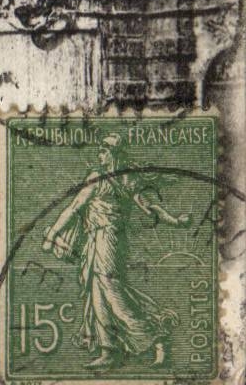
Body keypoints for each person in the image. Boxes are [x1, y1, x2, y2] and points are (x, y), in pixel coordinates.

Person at [42, 133, 189, 369]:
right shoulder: (112, 178)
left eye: (104, 151)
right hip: (96, 239)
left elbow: (148, 207)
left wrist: (174, 221)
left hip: (108, 239)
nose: (99, 155)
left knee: (111, 290)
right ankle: (108, 350)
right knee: (97, 292)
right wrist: (53, 234)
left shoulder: (114, 179)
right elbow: (74, 208)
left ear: (114, 154)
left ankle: (156, 337)